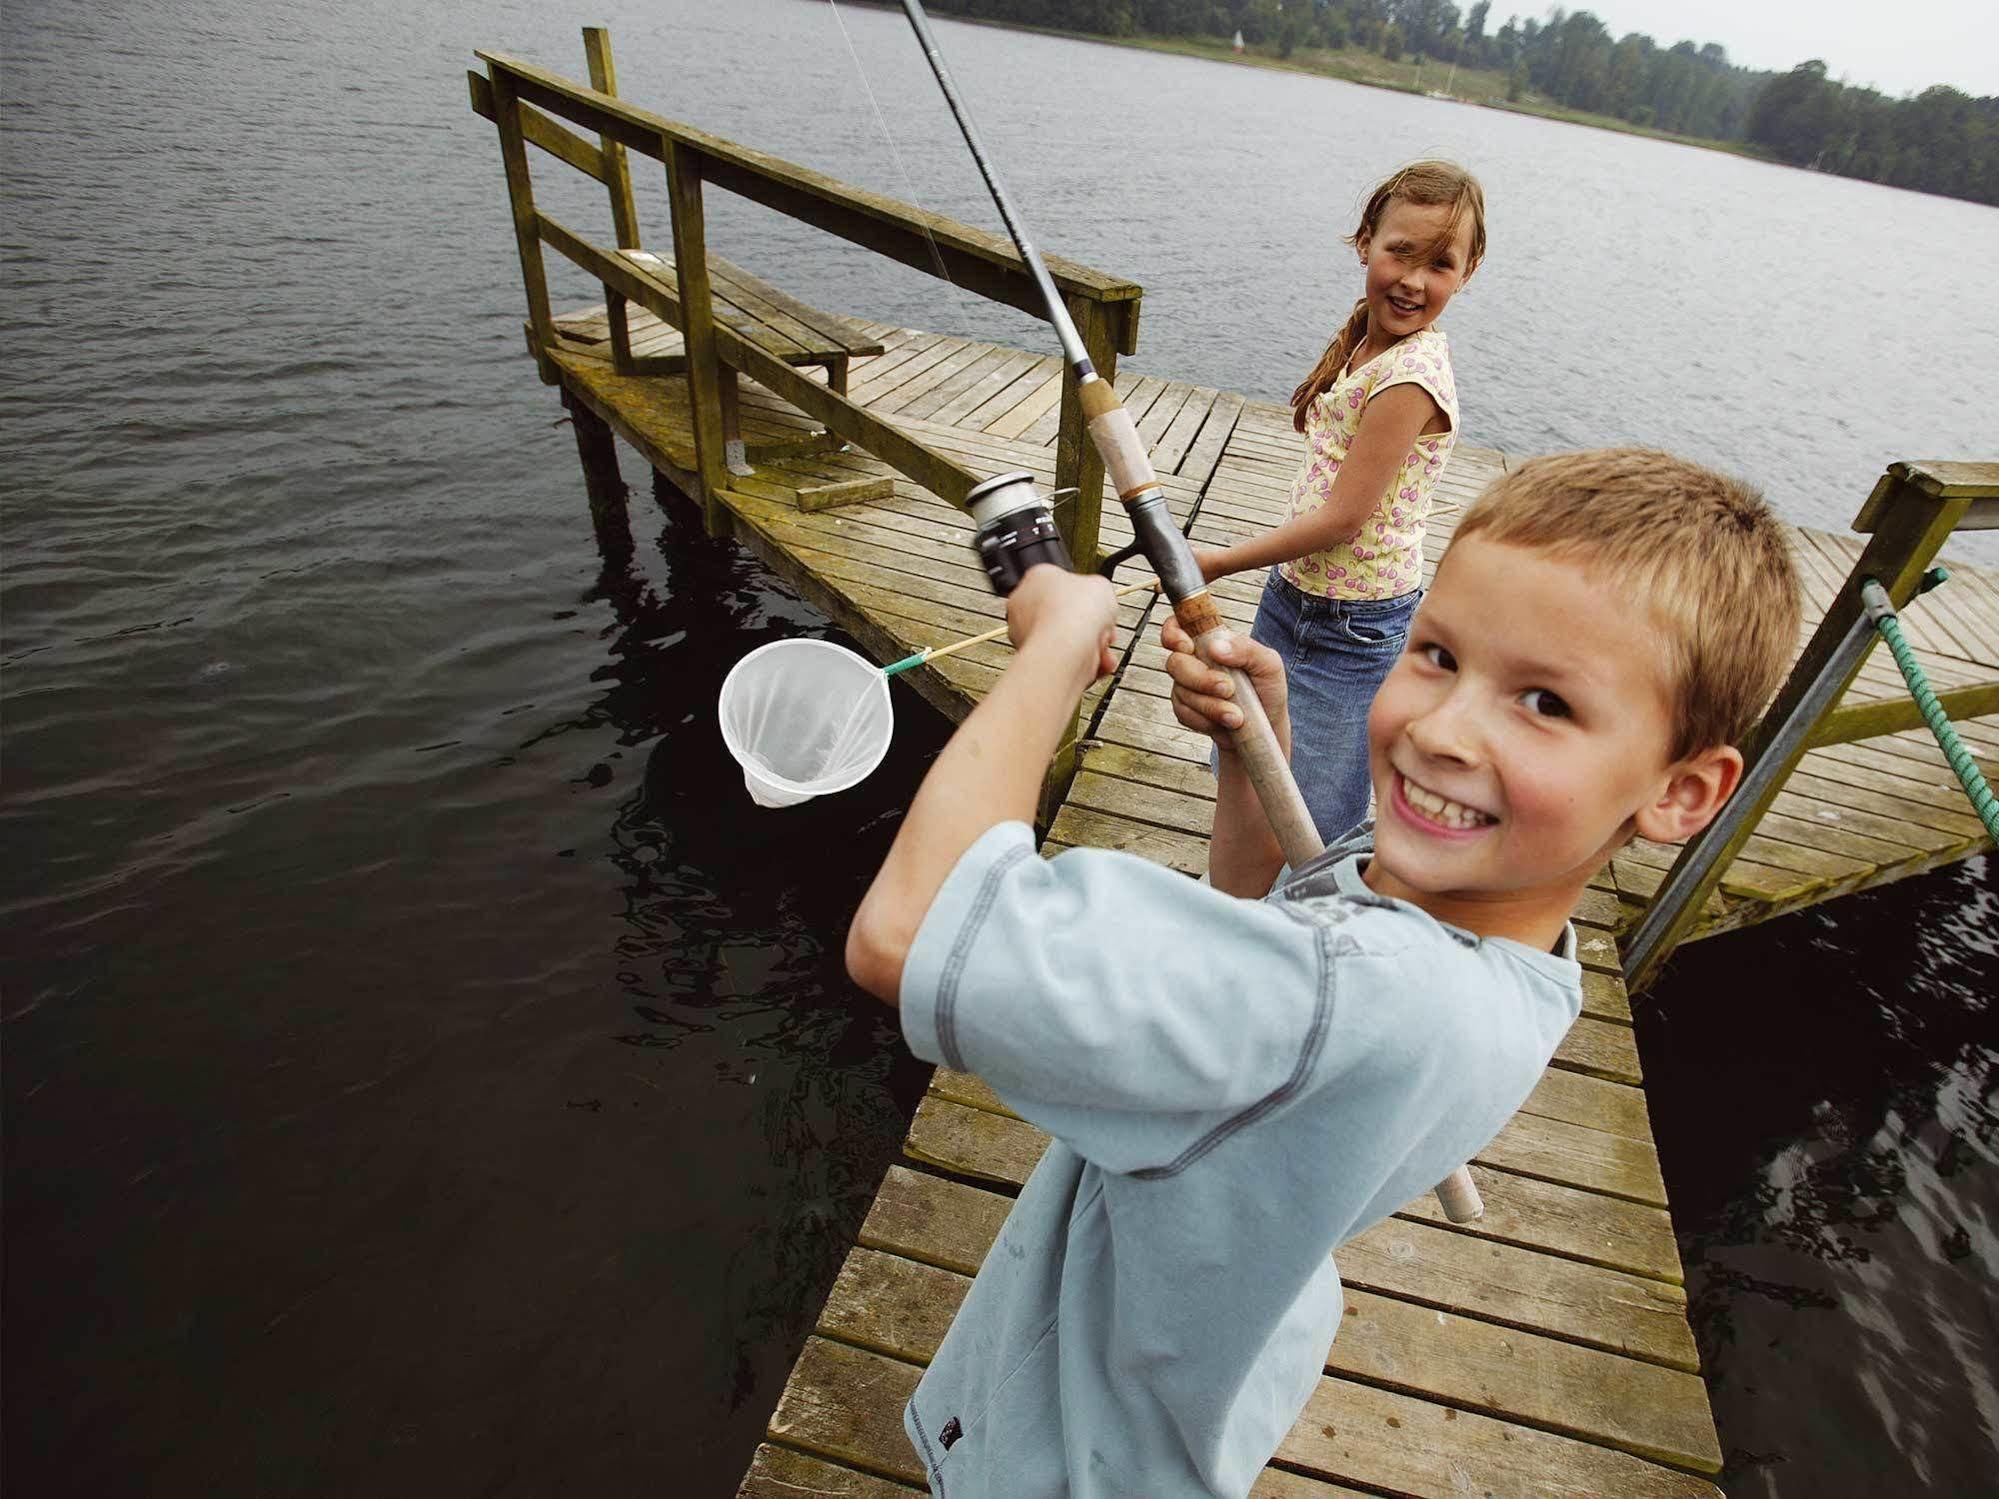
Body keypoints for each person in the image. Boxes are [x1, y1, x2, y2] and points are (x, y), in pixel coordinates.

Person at [845, 450, 1802, 1497]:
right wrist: (1261, 756)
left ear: (1680, 791)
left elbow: (907, 930)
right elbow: (1280, 945)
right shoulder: (1520, 964)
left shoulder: (1363, 994)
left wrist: (1055, 650)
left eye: (1543, 702)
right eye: (1435, 652)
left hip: (1070, 1444)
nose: (1440, 730)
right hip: (1203, 1363)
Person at [1194, 160, 1485, 843]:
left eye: (1439, 264)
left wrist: (1214, 560)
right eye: (1399, 252)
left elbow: (1342, 519)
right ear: (1364, 243)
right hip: (1291, 596)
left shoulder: (1410, 377)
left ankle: (1290, 928)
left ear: (1467, 271)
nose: (1413, 279)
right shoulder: (1367, 339)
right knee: (1244, 763)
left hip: (1353, 631)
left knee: (1312, 812)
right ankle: (1239, 902)